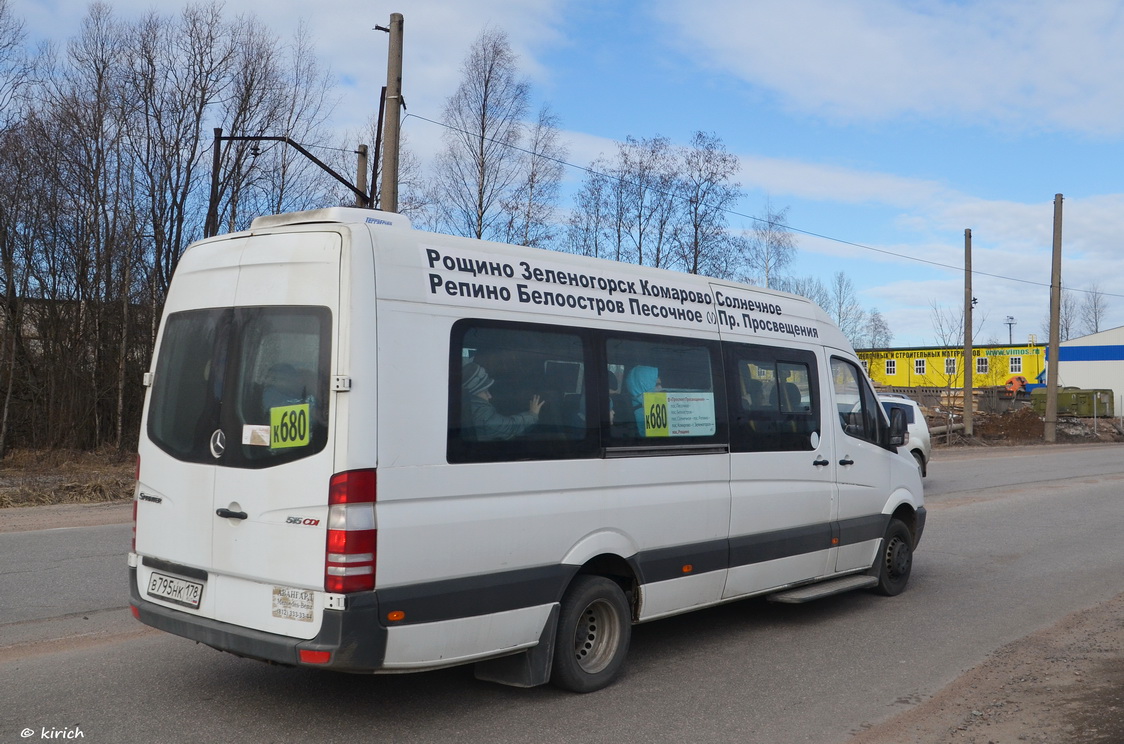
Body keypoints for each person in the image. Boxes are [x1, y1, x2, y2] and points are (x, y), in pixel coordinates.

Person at [462, 362, 545, 441]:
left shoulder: (466, 406)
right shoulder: (482, 415)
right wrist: (532, 414)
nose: (490, 396)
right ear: (473, 394)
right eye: (485, 391)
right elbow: (510, 428)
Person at [624, 365, 660, 434]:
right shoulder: (643, 413)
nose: (660, 388)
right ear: (643, 386)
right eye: (656, 384)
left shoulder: (633, 406)